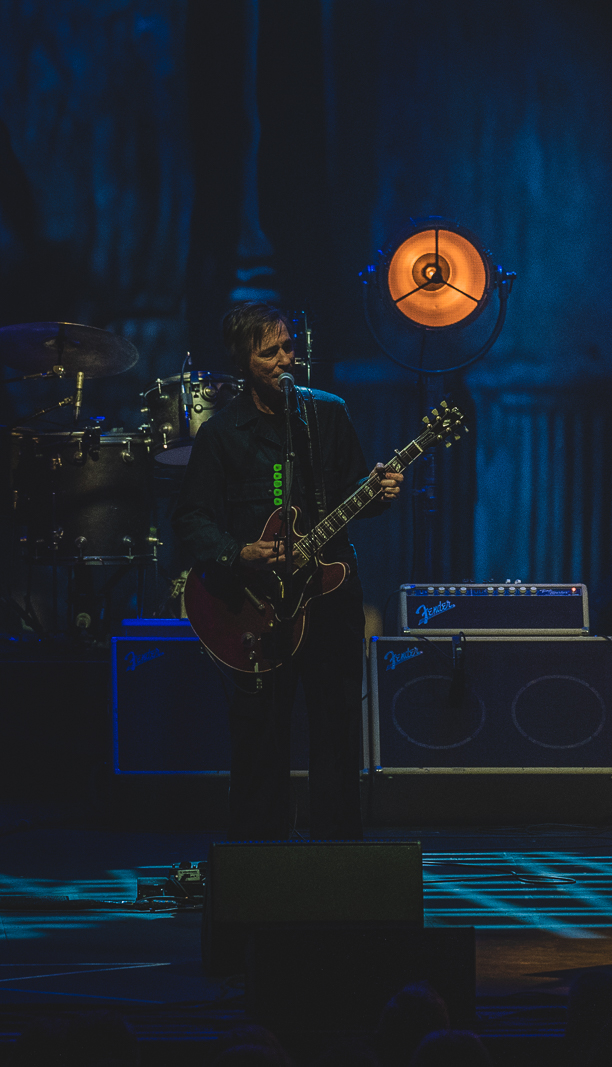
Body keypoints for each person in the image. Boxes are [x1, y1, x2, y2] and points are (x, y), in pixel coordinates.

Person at [173, 302, 402, 840]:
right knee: (260, 737)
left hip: (330, 596)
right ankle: (259, 856)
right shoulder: (224, 433)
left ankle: (339, 855)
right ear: (243, 361)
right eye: (268, 352)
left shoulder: (328, 414)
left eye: (288, 348)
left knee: (338, 728)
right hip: (259, 605)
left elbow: (355, 496)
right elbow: (190, 517)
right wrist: (239, 552)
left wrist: (381, 493)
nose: (283, 360)